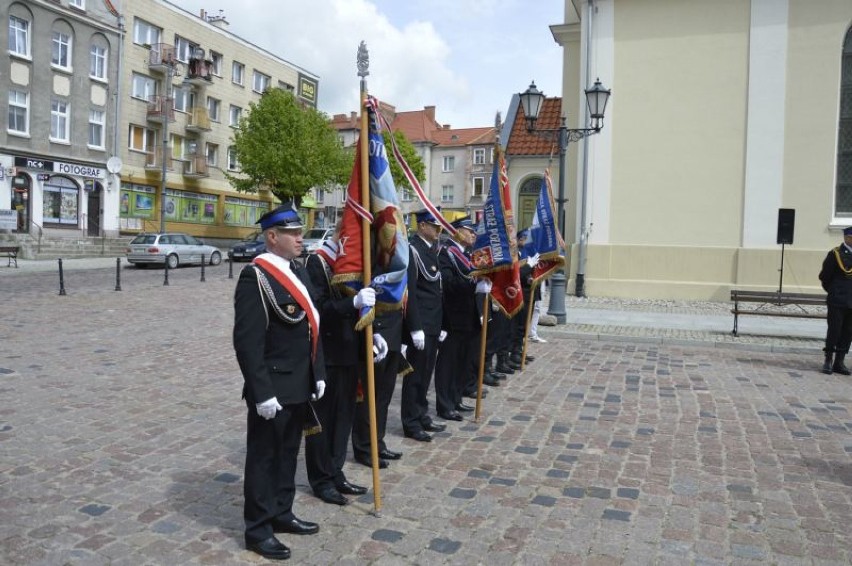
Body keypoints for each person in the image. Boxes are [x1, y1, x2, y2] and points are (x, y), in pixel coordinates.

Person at [233, 202, 326, 561]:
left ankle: (281, 511)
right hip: (272, 388)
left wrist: (317, 373)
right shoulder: (255, 277)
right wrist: (261, 392)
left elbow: (311, 327)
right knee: (263, 458)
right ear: (273, 237)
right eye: (294, 233)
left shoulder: (297, 272)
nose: (301, 238)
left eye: (300, 232)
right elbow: (247, 341)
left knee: (289, 454)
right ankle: (257, 528)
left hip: (299, 383)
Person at [303, 228, 387, 505]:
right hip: (327, 354)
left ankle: (336, 471)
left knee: (344, 419)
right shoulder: (318, 262)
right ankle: (321, 479)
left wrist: (371, 332)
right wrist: (352, 302)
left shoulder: (351, 263)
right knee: (324, 422)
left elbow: (360, 308)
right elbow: (319, 309)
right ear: (343, 233)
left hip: (351, 351)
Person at [434, 216, 490, 421]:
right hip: (452, 317)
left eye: (474, 232)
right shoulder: (447, 253)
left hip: (468, 316)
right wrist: (474, 283)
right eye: (470, 231)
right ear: (457, 231)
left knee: (462, 361)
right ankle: (445, 404)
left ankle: (456, 398)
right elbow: (448, 283)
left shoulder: (467, 254)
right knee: (448, 363)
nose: (473, 235)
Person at [401, 208, 448, 442]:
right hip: (421, 323)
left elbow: (436, 291)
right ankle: (411, 421)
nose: (438, 230)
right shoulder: (413, 250)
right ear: (421, 226)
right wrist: (415, 326)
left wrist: (441, 324)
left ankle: (421, 414)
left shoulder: (431, 250)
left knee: (426, 372)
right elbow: (411, 291)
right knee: (416, 375)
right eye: (434, 225)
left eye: (439, 226)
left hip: (433, 322)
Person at [818, 226, 852, 375]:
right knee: (834, 330)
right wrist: (834, 292)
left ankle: (840, 361)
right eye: (851, 237)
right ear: (846, 238)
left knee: (848, 332)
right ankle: (828, 360)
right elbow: (824, 277)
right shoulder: (835, 254)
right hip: (837, 300)